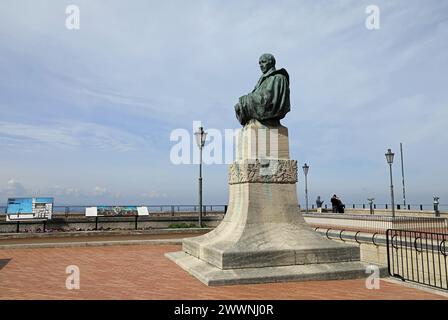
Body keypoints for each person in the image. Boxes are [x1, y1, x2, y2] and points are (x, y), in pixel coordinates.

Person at [234, 53, 291, 126]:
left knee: (243, 103)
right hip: (258, 105)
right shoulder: (263, 79)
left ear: (271, 62)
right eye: (259, 63)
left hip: (268, 107)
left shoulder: (278, 78)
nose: (261, 65)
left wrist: (247, 99)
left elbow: (269, 98)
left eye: (263, 62)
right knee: (238, 107)